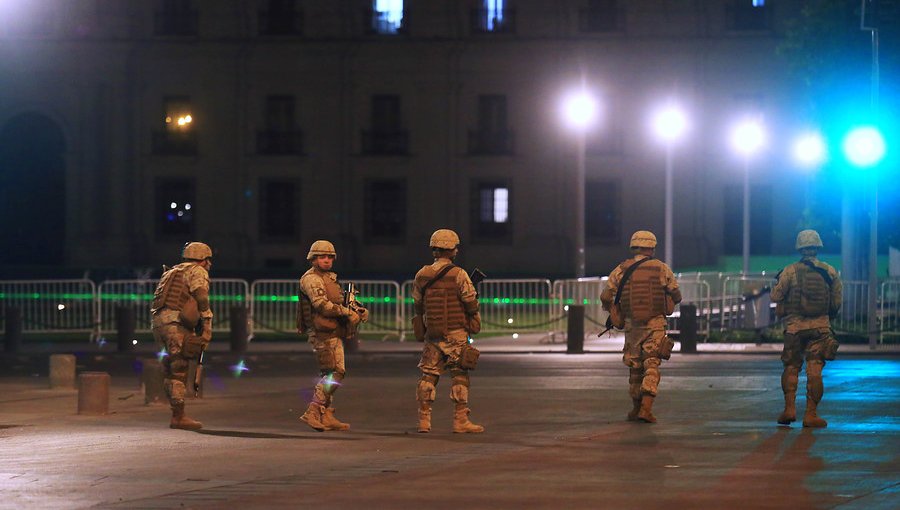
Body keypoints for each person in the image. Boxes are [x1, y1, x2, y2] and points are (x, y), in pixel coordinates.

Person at [600, 230, 681, 423]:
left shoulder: (621, 269)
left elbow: (605, 296)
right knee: (652, 363)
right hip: (655, 323)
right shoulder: (661, 268)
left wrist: (611, 309)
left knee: (635, 366)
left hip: (631, 325)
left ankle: (635, 409)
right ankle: (646, 409)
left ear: (633, 246)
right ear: (652, 247)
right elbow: (676, 293)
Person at [412, 229, 484, 433]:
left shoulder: (422, 274)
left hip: (432, 332)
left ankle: (424, 420)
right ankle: (460, 420)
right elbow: (470, 302)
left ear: (434, 249)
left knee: (428, 374)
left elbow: (418, 304)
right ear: (453, 250)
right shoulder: (459, 274)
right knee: (459, 374)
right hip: (455, 333)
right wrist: (473, 316)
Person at [770, 229, 842, 428]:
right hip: (820, 328)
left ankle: (789, 410)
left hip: (794, 328)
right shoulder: (830, 271)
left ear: (799, 247)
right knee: (815, 369)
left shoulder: (790, 271)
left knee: (791, 367)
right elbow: (836, 303)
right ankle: (811, 415)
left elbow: (775, 296)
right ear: (818, 246)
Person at [297, 240, 367, 432]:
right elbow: (321, 305)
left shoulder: (327, 277)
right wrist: (347, 313)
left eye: (329, 257)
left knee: (331, 372)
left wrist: (358, 309)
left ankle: (325, 413)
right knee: (335, 372)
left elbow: (337, 300)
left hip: (330, 330)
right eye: (322, 257)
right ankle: (313, 410)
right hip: (322, 332)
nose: (326, 260)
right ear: (313, 259)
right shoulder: (311, 279)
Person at [150, 242, 214, 430]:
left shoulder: (171, 272)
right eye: (209, 260)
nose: (210, 264)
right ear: (204, 260)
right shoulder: (197, 271)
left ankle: (177, 412)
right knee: (179, 367)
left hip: (158, 324)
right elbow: (201, 296)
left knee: (170, 367)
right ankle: (179, 416)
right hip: (176, 323)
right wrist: (207, 322)